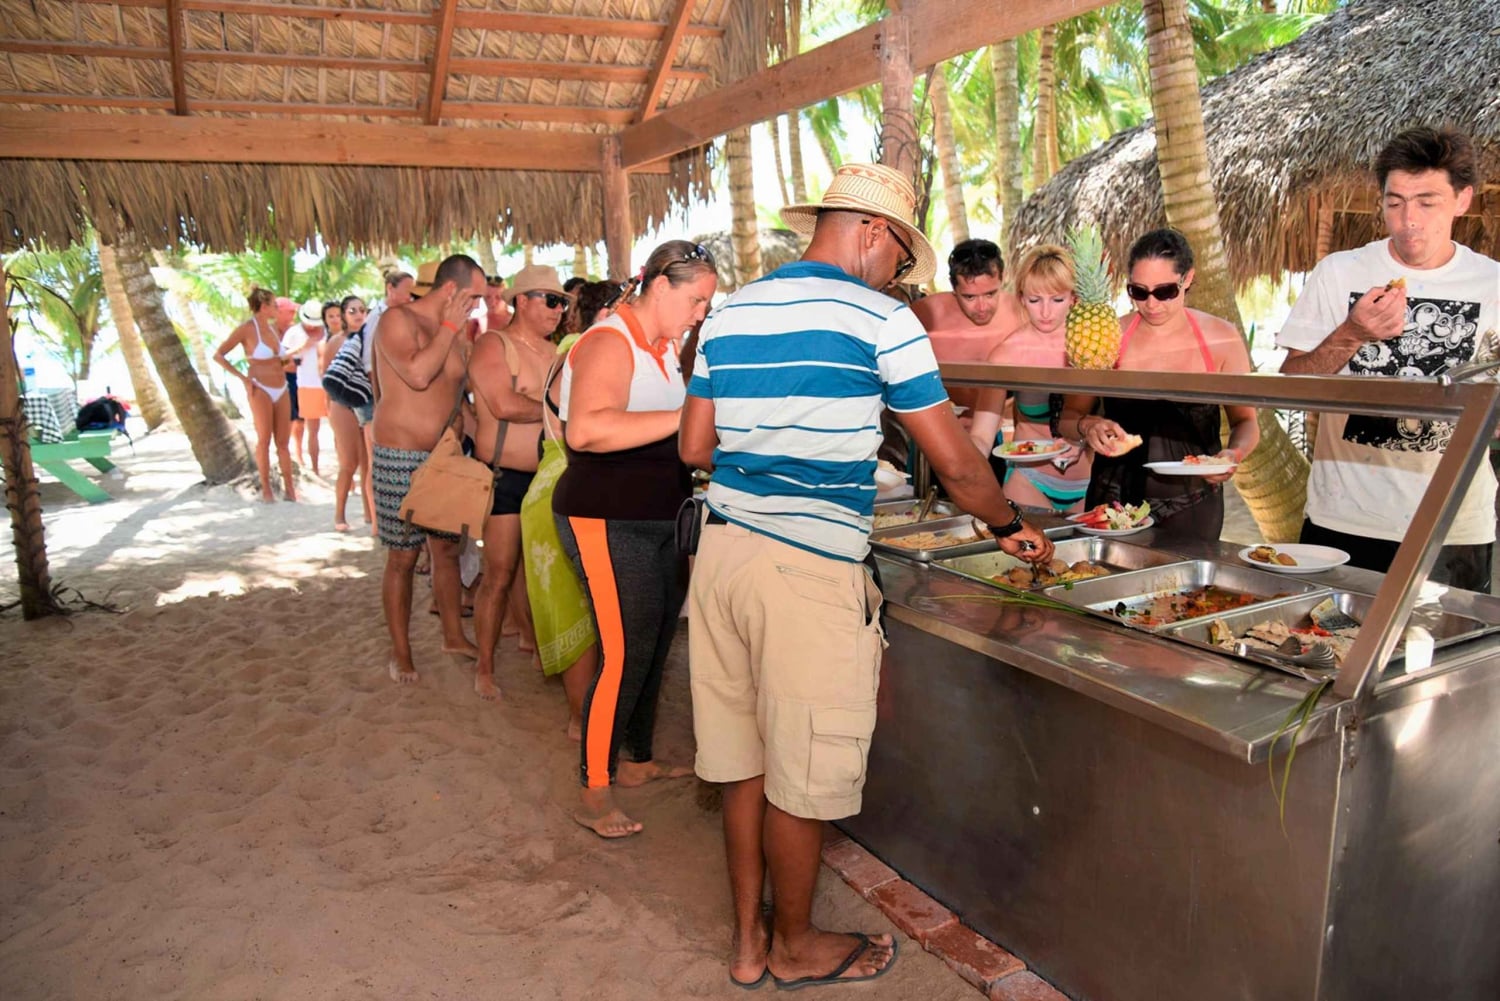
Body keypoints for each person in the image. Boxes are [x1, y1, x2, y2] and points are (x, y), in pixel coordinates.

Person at [679, 163, 1053, 990]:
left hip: (724, 555)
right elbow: (956, 460)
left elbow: (695, 448)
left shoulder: (732, 310)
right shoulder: (880, 319)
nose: (900, 276)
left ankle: (749, 942)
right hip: (809, 571)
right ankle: (798, 940)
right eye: (901, 259)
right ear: (873, 233)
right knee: (801, 769)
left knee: (740, 759)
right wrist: (1008, 525)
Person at [1278, 125, 1500, 592]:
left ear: (1462, 200)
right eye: (1394, 202)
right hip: (1343, 517)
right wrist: (1352, 332)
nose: (1408, 219)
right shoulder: (1340, 272)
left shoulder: (1493, 285)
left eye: (1426, 202)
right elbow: (1291, 385)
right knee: (1327, 650)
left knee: (1440, 658)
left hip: (1452, 523)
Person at [554, 241, 716, 839]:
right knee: (622, 652)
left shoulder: (664, 348)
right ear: (659, 286)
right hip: (604, 517)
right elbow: (589, 430)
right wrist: (692, 417)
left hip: (660, 517)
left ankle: (638, 760)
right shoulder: (607, 341)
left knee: (651, 644)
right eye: (696, 298)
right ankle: (594, 790)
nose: (700, 312)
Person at [1057, 228, 1259, 544]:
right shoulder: (1109, 336)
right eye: (1139, 292)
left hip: (1192, 503)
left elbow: (1246, 422)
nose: (1151, 304)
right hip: (1113, 498)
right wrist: (1088, 426)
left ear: (1187, 279)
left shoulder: (1221, 338)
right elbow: (1068, 418)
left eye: (1164, 291)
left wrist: (1233, 453)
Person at [371, 255, 485, 684]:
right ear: (451, 290)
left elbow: (461, 397)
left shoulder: (457, 334)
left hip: (445, 454)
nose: (476, 306)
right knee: (403, 557)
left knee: (446, 552)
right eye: (472, 297)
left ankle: (453, 635)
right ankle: (401, 653)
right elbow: (418, 375)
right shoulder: (397, 321)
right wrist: (452, 329)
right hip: (400, 455)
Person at [520, 281, 617, 739]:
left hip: (551, 484)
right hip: (567, 487)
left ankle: (584, 716)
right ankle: (582, 719)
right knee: (581, 617)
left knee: (580, 614)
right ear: (607, 315)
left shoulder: (567, 351)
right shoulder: (586, 354)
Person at [467, 266, 563, 701]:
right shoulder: (493, 344)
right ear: (522, 300)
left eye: (563, 302)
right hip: (505, 477)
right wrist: (560, 409)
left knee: (541, 572)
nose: (559, 310)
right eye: (551, 300)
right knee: (500, 574)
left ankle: (537, 644)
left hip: (548, 476)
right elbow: (504, 404)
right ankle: (484, 668)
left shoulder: (555, 351)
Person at [968, 244, 1092, 513]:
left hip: (1089, 484)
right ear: (1021, 298)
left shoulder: (1093, 346)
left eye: (1057, 300)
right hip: (1028, 481)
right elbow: (981, 436)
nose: (1046, 312)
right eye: (1035, 300)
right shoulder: (1006, 354)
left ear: (1073, 298)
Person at [911, 238, 1028, 428]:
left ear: (1002, 279)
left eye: (990, 294)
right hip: (942, 426)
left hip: (1007, 428)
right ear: (954, 288)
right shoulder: (925, 315)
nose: (982, 307)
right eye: (970, 297)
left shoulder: (1022, 314)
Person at [213, 287, 297, 502]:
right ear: (264, 306)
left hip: (281, 387)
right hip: (260, 387)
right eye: (275, 305)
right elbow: (219, 355)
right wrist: (243, 378)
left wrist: (291, 358)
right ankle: (266, 490)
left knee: (283, 442)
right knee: (264, 439)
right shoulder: (246, 330)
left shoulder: (272, 330)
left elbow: (281, 360)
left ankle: (290, 490)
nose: (277, 309)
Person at [322, 297, 373, 532]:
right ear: (343, 314)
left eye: (362, 310)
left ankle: (370, 514)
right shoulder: (336, 341)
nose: (358, 314)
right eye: (353, 310)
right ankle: (339, 514)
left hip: (365, 402)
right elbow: (328, 379)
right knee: (348, 462)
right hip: (341, 405)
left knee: (368, 462)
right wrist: (329, 411)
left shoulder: (371, 338)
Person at [283, 300, 328, 475]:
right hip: (307, 385)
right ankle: (315, 468)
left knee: (338, 430)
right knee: (312, 430)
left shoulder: (327, 330)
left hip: (329, 383)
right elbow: (282, 358)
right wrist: (303, 347)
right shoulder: (293, 333)